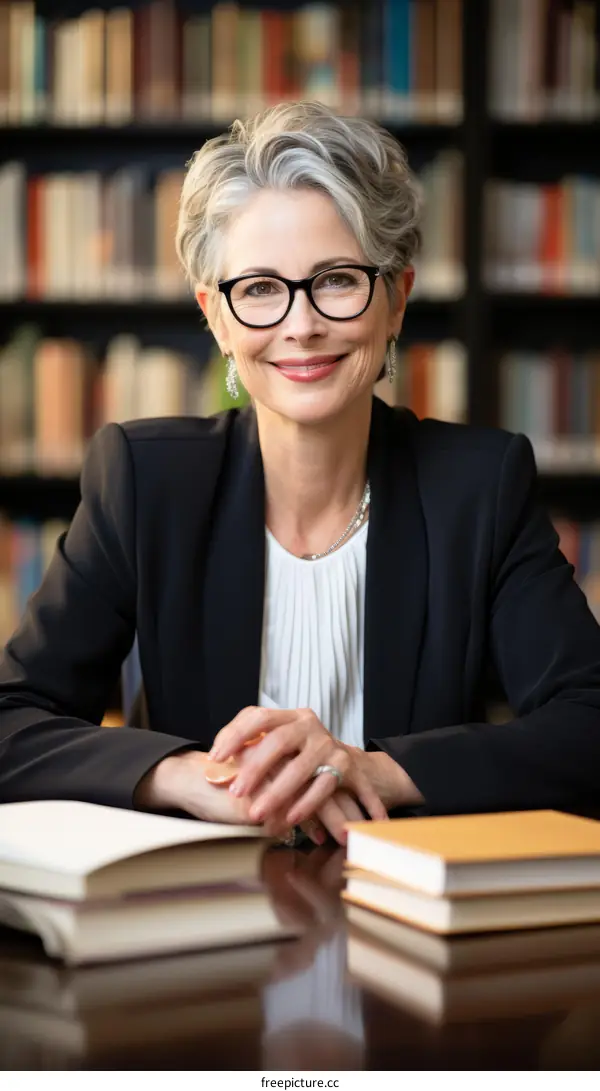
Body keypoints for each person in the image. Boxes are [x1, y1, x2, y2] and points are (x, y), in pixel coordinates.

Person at [2, 101, 600, 846]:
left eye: (337, 280)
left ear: (396, 299)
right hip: (193, 922)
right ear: (215, 318)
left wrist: (372, 768)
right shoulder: (146, 479)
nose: (300, 324)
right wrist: (189, 774)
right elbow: (12, 722)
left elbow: (589, 721)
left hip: (409, 915)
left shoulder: (478, 487)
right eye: (257, 289)